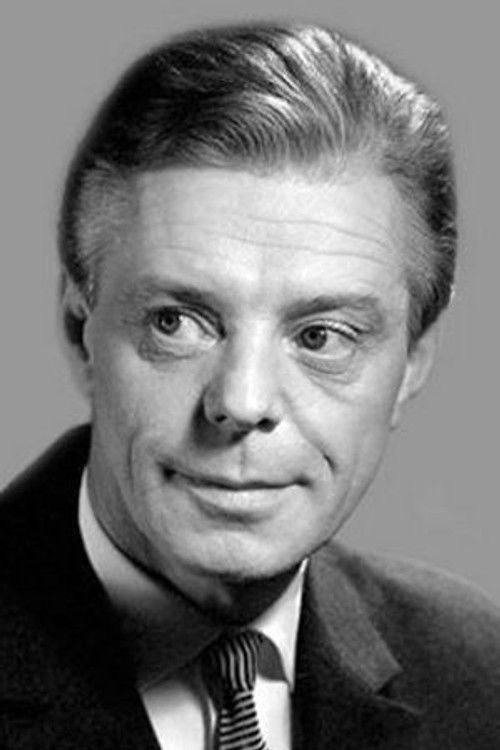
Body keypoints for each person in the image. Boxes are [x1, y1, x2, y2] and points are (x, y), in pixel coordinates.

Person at [0, 20, 499, 750]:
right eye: (176, 322)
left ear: (414, 361)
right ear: (82, 333)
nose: (242, 402)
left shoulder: (478, 672)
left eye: (321, 336)